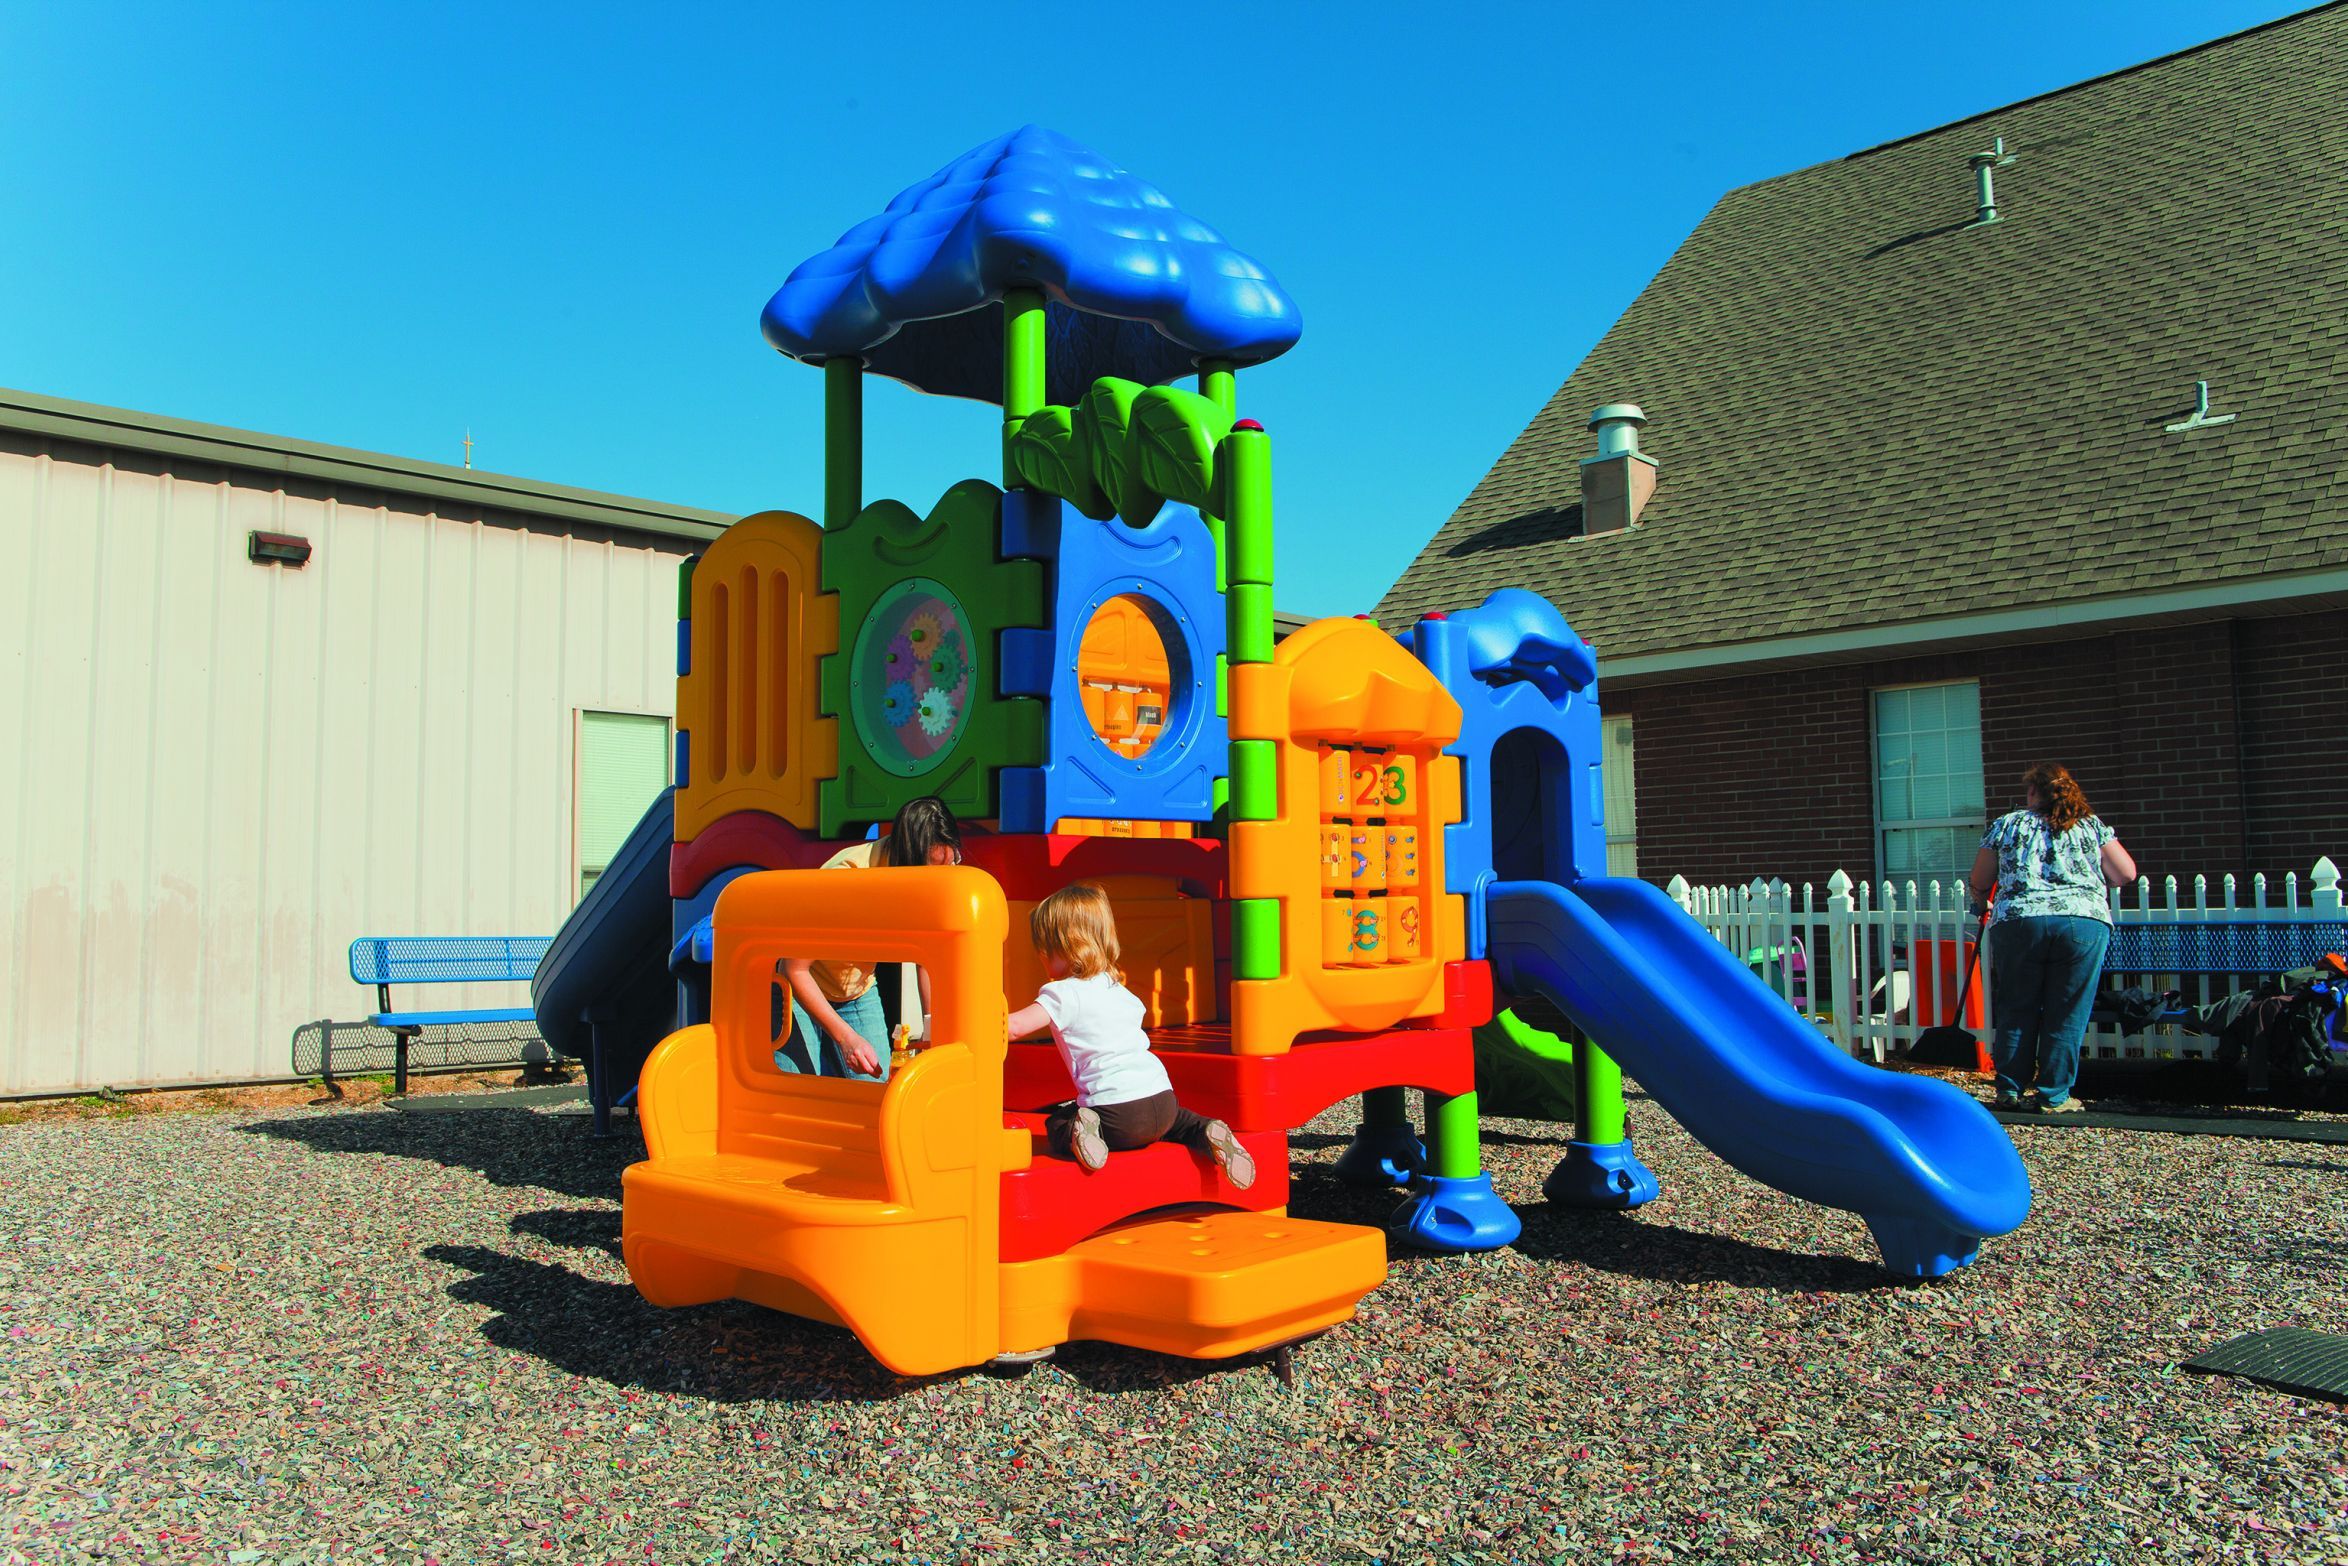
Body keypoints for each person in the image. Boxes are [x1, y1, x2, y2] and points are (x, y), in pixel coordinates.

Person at [1005, 883, 1255, 1187]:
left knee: (1058, 1121)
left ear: (1065, 947)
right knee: (1182, 1123)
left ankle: (1081, 1135)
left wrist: (972, 1019)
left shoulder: (1061, 993)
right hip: (1162, 1101)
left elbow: (1014, 1027)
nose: (1042, 959)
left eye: (1044, 950)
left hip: (1116, 1115)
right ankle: (1207, 1129)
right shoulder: (1117, 989)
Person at [1966, 763, 2137, 1113]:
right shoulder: (2090, 825)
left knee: (2016, 1005)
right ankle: (2054, 1095)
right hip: (2082, 922)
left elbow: (1980, 878)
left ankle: (2009, 1090)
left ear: (2033, 793)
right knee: (2067, 1010)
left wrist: (1981, 899)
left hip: (2019, 922)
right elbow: (2125, 873)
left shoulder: (2008, 824)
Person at [777, 797, 963, 1081]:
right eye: (934, 867)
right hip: (802, 990)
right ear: (908, 859)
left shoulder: (924, 881)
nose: (942, 878)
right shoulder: (847, 878)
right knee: (797, 1091)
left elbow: (925, 956)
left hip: (857, 990)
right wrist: (846, 1037)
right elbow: (794, 968)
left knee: (876, 1092)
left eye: (950, 864)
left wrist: (931, 1029)